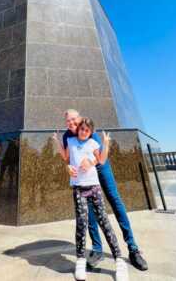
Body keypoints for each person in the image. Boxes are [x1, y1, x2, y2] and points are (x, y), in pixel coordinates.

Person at [56, 109, 148, 271]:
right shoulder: (66, 136)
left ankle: (133, 248)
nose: (71, 123)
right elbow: (69, 159)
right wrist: (68, 168)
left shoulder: (88, 129)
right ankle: (97, 249)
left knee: (115, 200)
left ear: (80, 118)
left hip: (99, 168)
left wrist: (90, 162)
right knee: (88, 209)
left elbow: (100, 155)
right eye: (67, 121)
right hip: (82, 176)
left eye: (73, 119)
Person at [53, 117, 128, 281]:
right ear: (78, 129)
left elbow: (101, 159)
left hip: (94, 188)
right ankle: (80, 260)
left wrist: (106, 142)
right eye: (82, 129)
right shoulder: (71, 141)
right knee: (81, 223)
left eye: (87, 130)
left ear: (90, 132)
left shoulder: (93, 143)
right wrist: (57, 142)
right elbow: (65, 157)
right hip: (78, 188)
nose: (83, 132)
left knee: (104, 222)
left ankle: (119, 261)